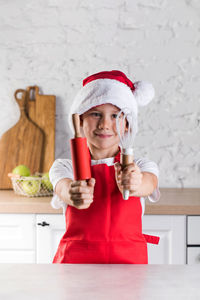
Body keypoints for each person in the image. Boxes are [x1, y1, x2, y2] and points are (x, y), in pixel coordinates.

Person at [49, 70, 160, 264]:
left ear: (127, 125)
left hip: (129, 269)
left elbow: (148, 183)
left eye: (116, 115)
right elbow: (64, 187)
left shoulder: (141, 166)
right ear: (80, 120)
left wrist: (136, 182)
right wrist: (74, 192)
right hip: (75, 269)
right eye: (95, 114)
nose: (105, 124)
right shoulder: (64, 167)